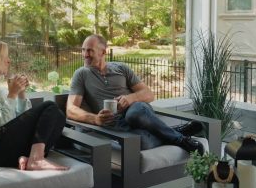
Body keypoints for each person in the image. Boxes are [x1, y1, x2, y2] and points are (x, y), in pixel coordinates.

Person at [66, 34, 204, 154]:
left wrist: (130, 98)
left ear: (103, 52)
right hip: (118, 126)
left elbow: (149, 94)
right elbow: (71, 109)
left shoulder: (121, 68)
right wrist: (95, 119)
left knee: (134, 113)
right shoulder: (81, 74)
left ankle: (180, 140)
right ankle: (176, 132)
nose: (85, 55)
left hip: (138, 113)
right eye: (83, 50)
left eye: (90, 50)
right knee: (142, 142)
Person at [0, 38, 68, 171]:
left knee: (58, 116)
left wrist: (21, 93)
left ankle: (29, 158)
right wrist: (12, 94)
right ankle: (36, 159)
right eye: (5, 57)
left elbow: (19, 119)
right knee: (49, 106)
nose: (9, 60)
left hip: (1, 145)